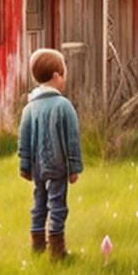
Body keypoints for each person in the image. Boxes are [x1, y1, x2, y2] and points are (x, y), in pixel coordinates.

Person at [17, 48, 83, 261]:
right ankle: (57, 252)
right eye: (63, 75)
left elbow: (24, 140)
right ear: (56, 76)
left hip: (38, 167)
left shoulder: (30, 108)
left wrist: (25, 166)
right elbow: (72, 140)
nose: (63, 80)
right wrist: (74, 168)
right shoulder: (64, 106)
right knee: (57, 206)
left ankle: (37, 247)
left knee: (39, 204)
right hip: (57, 166)